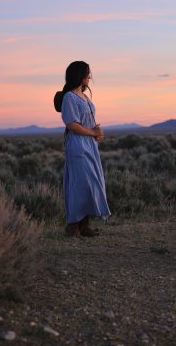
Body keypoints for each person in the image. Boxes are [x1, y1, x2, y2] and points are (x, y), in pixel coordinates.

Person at [57, 61, 111, 237]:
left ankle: (84, 224)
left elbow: (87, 121)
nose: (90, 77)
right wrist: (91, 132)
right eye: (87, 73)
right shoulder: (69, 97)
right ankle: (73, 226)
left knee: (92, 183)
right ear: (79, 75)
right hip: (78, 145)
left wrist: (96, 133)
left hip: (89, 144)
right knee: (80, 184)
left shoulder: (85, 97)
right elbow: (72, 123)